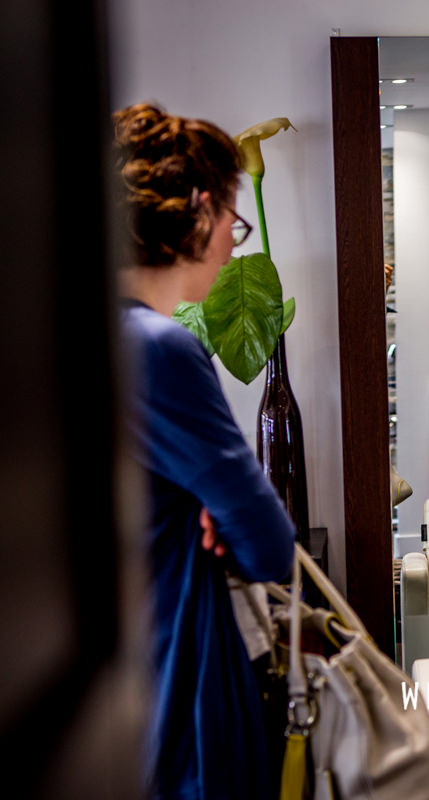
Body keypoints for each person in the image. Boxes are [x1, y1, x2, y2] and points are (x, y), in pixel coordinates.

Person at [114, 103, 296, 799]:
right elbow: (268, 545)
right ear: (194, 212)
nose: (231, 240)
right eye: (229, 218)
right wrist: (218, 510)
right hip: (178, 659)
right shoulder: (158, 349)